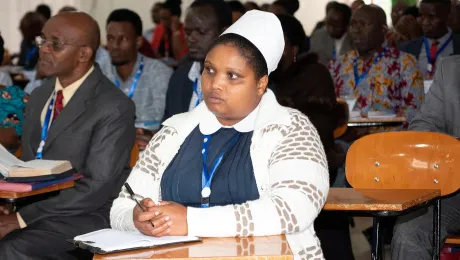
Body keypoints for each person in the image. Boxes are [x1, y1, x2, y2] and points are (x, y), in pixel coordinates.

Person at [110, 10, 329, 260]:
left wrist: (191, 221)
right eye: (210, 70)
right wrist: (137, 218)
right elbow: (123, 204)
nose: (215, 84)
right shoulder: (174, 131)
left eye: (232, 76)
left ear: (261, 83)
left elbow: (293, 209)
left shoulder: (291, 130)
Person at [0, 12, 136, 260]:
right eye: (43, 40)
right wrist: (11, 200)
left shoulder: (113, 106)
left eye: (56, 44)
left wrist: (22, 217)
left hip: (87, 214)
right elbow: (29, 167)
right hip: (35, 206)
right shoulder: (40, 96)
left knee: (13, 246)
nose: (44, 50)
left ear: (84, 54)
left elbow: (96, 186)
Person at [272, 14, 353, 260]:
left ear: (293, 48)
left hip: (311, 162)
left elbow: (316, 133)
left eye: (278, 41)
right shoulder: (261, 75)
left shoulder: (315, 74)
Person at [391, 56, 460, 260]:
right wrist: (450, 147)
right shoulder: (450, 69)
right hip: (454, 193)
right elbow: (422, 127)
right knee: (408, 232)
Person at [329, 4, 424, 124]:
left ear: (383, 29)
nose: (356, 30)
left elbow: (414, 113)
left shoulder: (405, 64)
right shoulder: (338, 64)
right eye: (353, 24)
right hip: (344, 138)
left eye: (364, 24)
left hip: (386, 139)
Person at [102, 9, 173, 138]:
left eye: (123, 39)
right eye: (110, 39)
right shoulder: (101, 73)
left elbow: (164, 122)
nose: (115, 45)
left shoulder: (159, 73)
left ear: (138, 42)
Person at [162, 0, 232, 121]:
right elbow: (168, 124)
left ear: (224, 32)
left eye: (201, 32)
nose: (191, 39)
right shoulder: (179, 76)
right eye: (188, 32)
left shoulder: (241, 82)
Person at [399, 0, 460, 80]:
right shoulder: (407, 49)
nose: (425, 22)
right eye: (422, 16)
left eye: (432, 17)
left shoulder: (457, 45)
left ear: (447, 15)